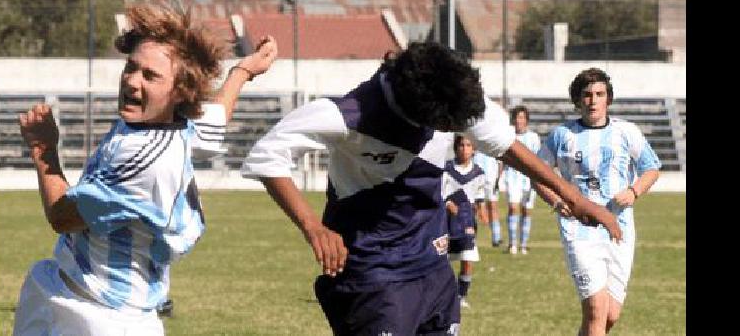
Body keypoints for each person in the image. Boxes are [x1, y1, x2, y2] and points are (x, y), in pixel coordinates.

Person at [242, 41, 622, 336]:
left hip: (433, 265)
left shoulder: (453, 92)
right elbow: (267, 154)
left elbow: (505, 146)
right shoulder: (349, 114)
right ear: (422, 115)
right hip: (373, 272)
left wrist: (572, 197)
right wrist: (313, 227)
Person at [12, 3, 278, 336]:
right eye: (131, 67)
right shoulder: (175, 124)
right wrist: (243, 71)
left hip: (103, 317)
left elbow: (62, 216)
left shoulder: (146, 161)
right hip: (64, 288)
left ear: (180, 91)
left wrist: (43, 149)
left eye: (150, 76)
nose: (132, 81)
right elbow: (216, 119)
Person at [534, 68, 660, 336]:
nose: (593, 100)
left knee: (610, 316)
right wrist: (557, 202)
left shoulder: (627, 132)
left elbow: (651, 168)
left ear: (608, 99)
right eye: (587, 95)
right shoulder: (561, 135)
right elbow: (538, 176)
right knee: (595, 311)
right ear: (578, 101)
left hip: (619, 230)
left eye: (599, 94)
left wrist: (634, 191)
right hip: (578, 232)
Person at [441, 134, 486, 310]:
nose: (464, 149)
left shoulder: (478, 173)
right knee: (443, 260)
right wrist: (448, 204)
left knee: (467, 259)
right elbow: (439, 193)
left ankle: (461, 296)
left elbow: (479, 196)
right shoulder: (446, 170)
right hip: (446, 221)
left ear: (474, 149)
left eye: (468, 145)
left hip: (466, 222)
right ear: (456, 148)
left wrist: (480, 211)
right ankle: (445, 295)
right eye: (461, 145)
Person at [502, 105, 541, 255]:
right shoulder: (509, 136)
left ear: (526, 120)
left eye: (522, 117)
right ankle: (512, 244)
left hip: (528, 178)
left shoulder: (533, 138)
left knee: (526, 211)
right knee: (513, 208)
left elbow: (538, 159)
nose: (519, 121)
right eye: (517, 117)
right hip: (512, 176)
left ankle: (523, 244)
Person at [473, 149, 503, 247]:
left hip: (491, 179)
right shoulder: (475, 140)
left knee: (492, 206)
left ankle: (496, 238)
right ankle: (472, 238)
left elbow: (500, 163)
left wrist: (498, 179)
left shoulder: (493, 145)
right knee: (475, 208)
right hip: (477, 178)